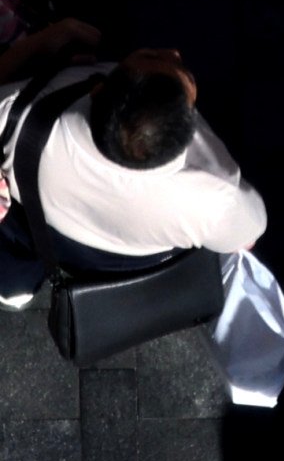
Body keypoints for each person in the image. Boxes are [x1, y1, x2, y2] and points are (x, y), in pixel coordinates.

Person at [0, 29, 264, 297]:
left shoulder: (16, 115)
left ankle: (16, 280)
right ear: (188, 133)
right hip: (131, 260)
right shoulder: (216, 197)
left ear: (97, 89)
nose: (174, 53)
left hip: (44, 228)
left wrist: (52, 35)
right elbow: (246, 240)